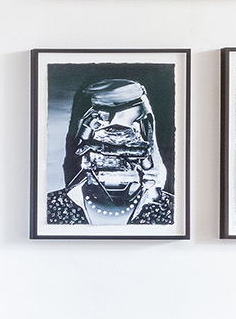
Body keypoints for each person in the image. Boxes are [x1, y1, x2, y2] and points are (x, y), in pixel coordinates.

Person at [46, 75, 173, 227]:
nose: (116, 143)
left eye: (130, 132)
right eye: (102, 127)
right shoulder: (49, 209)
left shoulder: (173, 211)